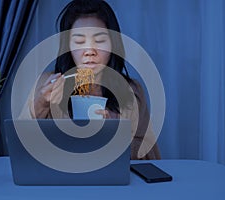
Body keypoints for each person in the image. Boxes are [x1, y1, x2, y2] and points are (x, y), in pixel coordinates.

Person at [27, 0, 161, 160]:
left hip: (113, 182)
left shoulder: (131, 90)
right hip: (62, 181)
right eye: (79, 41)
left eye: (99, 40)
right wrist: (41, 104)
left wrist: (116, 135)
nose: (89, 51)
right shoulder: (46, 83)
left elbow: (150, 155)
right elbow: (21, 143)